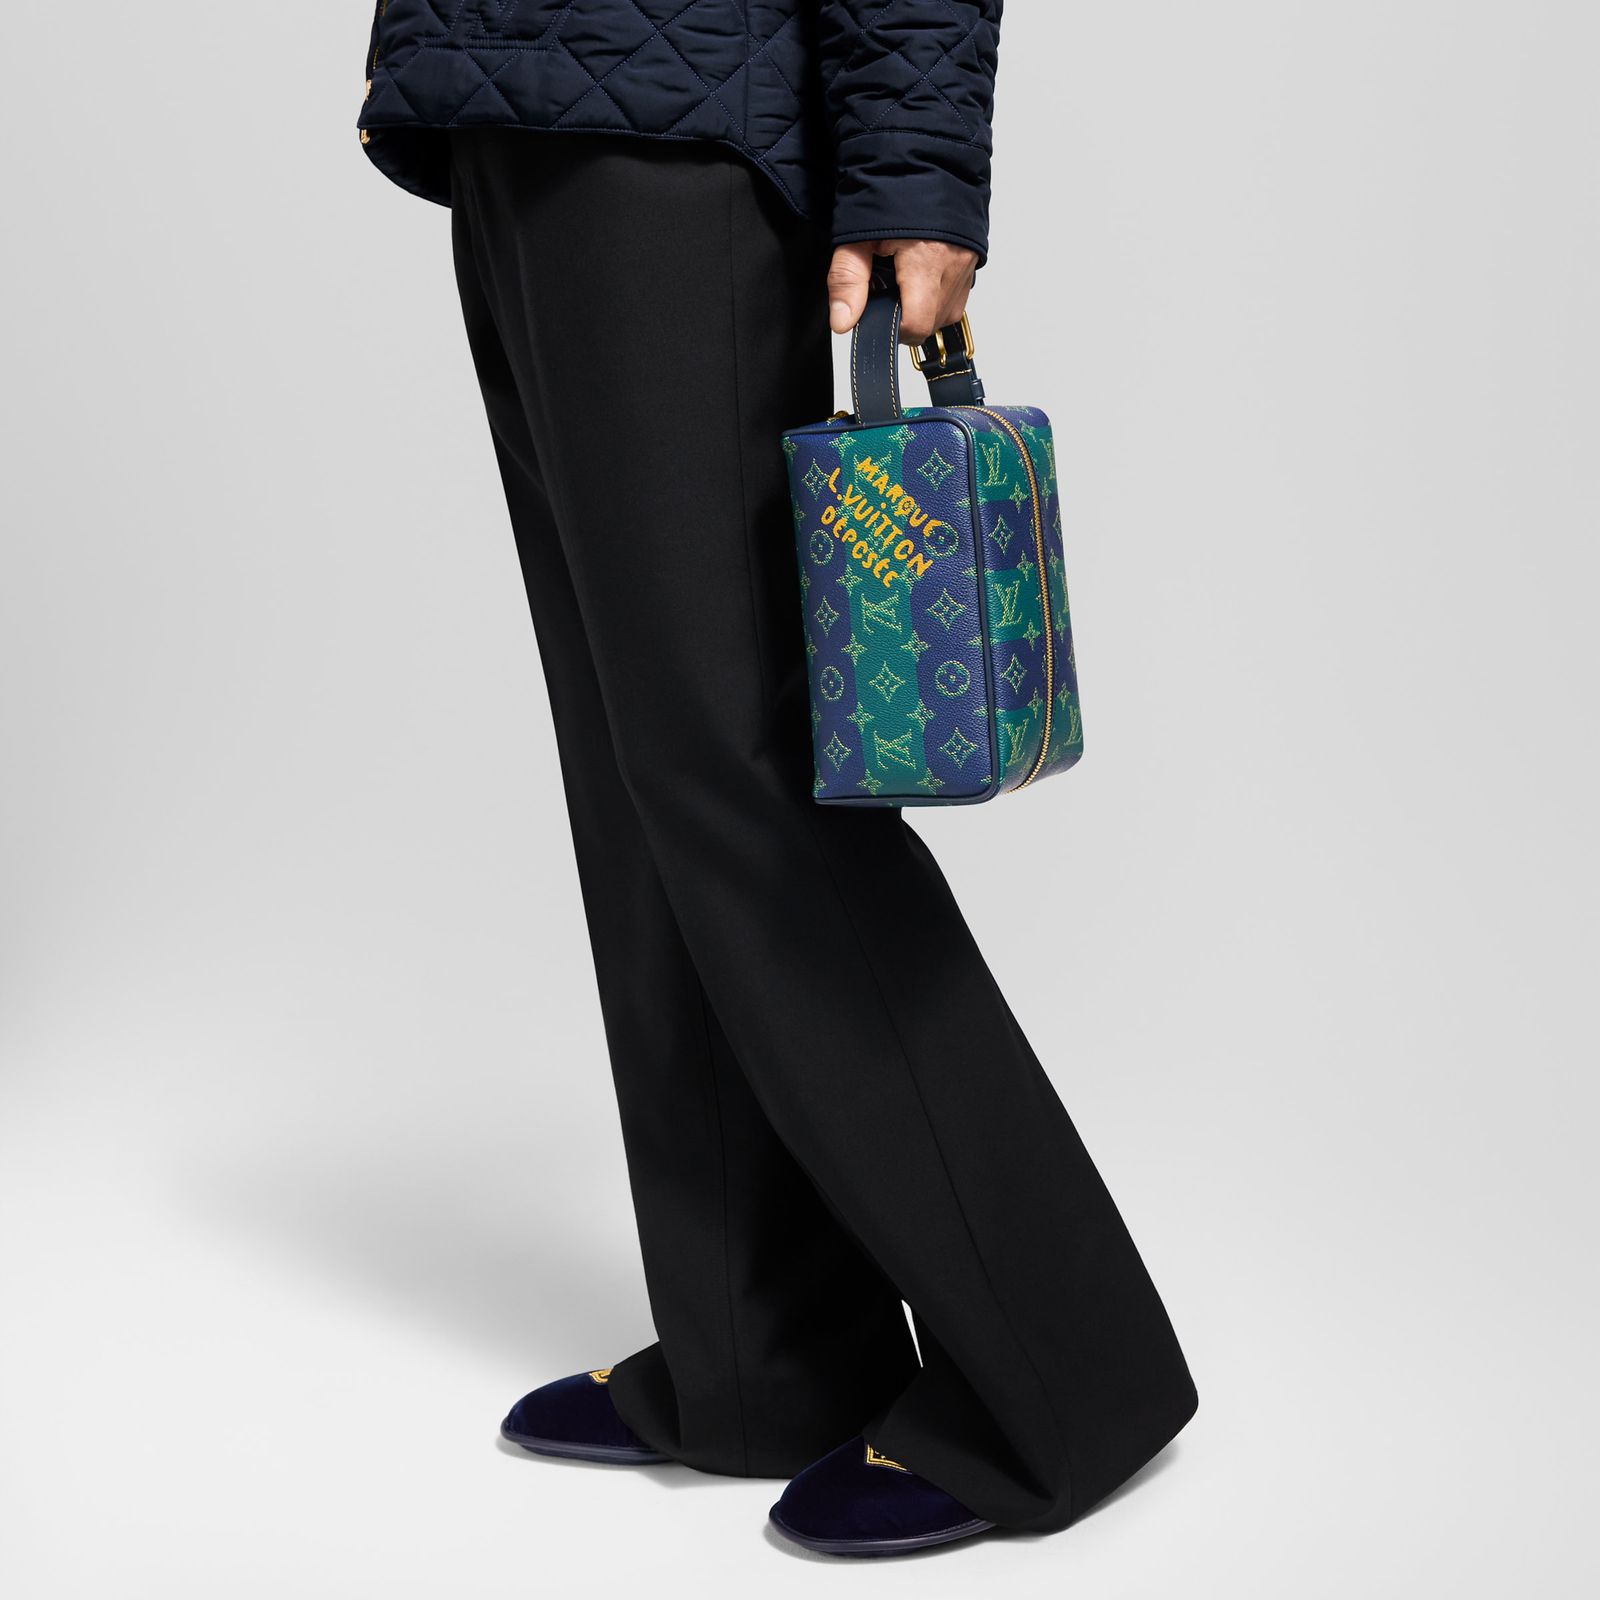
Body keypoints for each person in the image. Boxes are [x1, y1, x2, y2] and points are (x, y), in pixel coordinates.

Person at [357, 0, 1197, 1559]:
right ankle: (766, 1358)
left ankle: (1072, 1379)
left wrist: (916, 171)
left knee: (737, 773)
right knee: (645, 769)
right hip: (516, 105)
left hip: (679, 119)